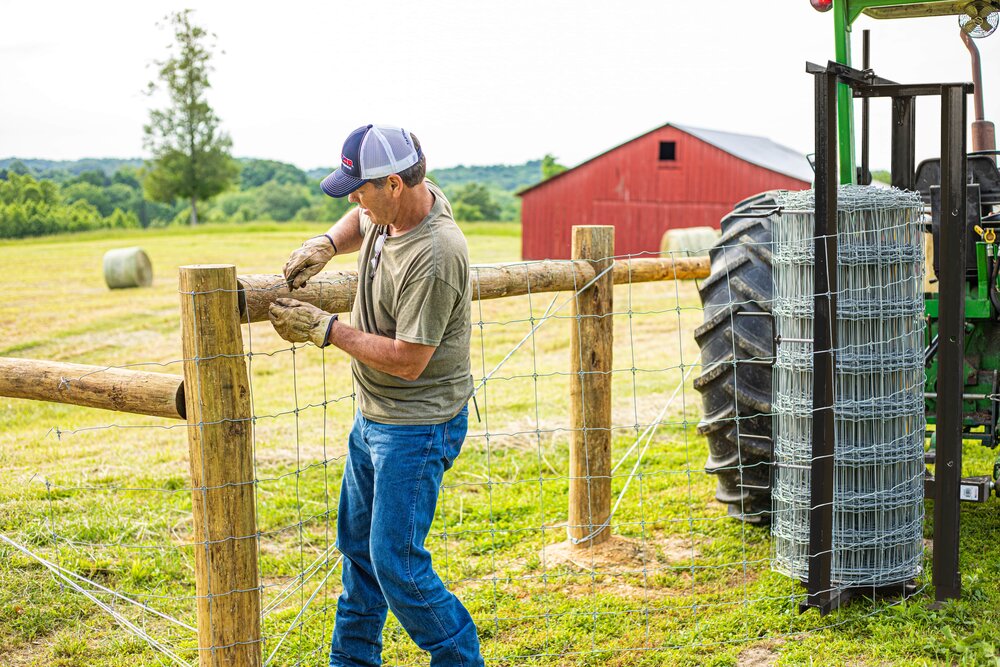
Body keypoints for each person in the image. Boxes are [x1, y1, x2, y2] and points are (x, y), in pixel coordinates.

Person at [268, 124, 483, 667]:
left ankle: (460, 659)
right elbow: (361, 219)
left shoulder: (435, 254)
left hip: (417, 423)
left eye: (358, 188)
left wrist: (326, 329)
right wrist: (327, 244)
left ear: (393, 182)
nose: (353, 199)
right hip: (374, 418)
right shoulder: (398, 205)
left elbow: (410, 361)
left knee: (395, 563)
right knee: (358, 551)